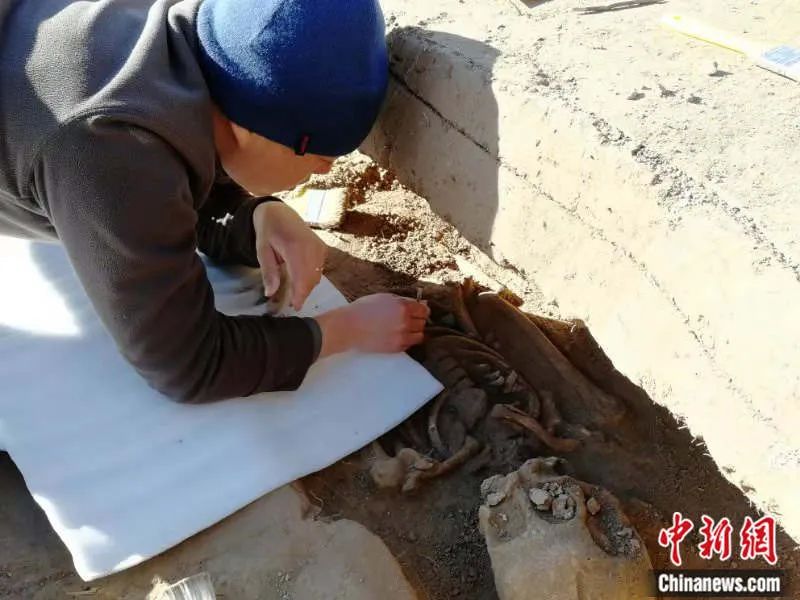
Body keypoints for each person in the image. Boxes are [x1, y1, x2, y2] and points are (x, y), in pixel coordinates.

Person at [0, 0, 430, 402]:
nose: (324, 171)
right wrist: (343, 330)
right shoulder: (111, 146)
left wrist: (255, 214)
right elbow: (186, 364)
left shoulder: (200, 34)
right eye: (320, 156)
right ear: (252, 129)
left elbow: (172, 179)